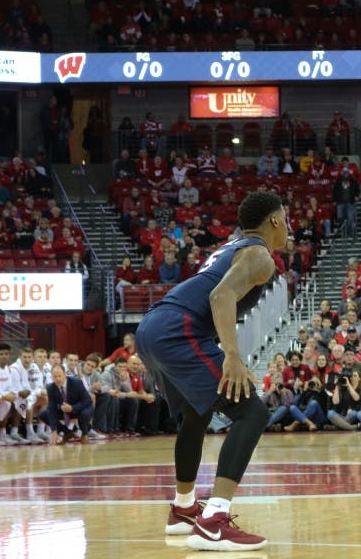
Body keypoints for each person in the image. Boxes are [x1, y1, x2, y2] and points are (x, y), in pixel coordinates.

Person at [134, 191, 287, 551]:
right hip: (177, 330)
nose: (290, 227)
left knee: (196, 415)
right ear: (275, 220)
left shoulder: (231, 246)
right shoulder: (260, 255)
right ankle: (214, 520)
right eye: (287, 219)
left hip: (153, 326)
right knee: (252, 411)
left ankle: (184, 508)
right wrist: (232, 354)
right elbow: (220, 297)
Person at [40, 364, 94, 444]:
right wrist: (54, 432)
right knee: (44, 413)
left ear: (65, 375)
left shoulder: (77, 382)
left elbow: (87, 401)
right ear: (51, 377)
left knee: (85, 413)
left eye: (59, 376)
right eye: (55, 376)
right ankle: (67, 432)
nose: (58, 379)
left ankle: (84, 433)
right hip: (64, 410)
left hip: (80, 408)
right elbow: (51, 408)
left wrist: (72, 407)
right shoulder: (50, 387)